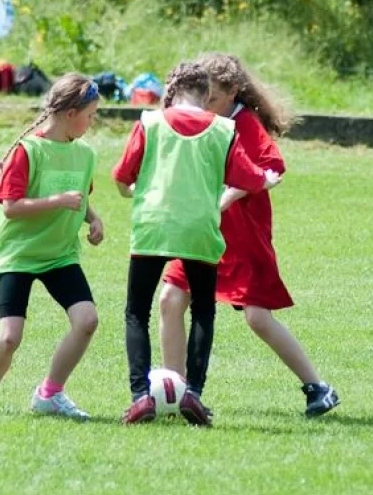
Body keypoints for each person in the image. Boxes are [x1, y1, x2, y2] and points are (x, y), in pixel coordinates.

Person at [158, 54, 339, 417]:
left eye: (211, 100)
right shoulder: (198, 121)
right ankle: (176, 393)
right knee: (170, 298)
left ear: (233, 93)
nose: (203, 107)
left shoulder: (246, 122)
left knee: (258, 317)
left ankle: (318, 387)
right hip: (200, 233)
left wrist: (223, 200)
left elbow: (271, 168)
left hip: (243, 238)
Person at [112, 62, 280, 426]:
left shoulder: (149, 122)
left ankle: (141, 396)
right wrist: (267, 178)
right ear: (206, 95)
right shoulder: (223, 128)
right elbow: (250, 179)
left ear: (170, 92)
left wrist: (133, 191)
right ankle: (193, 394)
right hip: (200, 229)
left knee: (136, 312)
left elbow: (122, 177)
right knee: (204, 309)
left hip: (153, 227)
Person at [0, 75, 103, 420]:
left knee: (87, 320)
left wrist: (94, 219)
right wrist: (57, 201)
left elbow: (79, 197)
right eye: (90, 114)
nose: (92, 122)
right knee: (10, 337)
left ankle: (50, 394)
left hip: (60, 254)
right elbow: (10, 206)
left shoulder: (84, 154)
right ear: (71, 113)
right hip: (20, 254)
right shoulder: (28, 150)